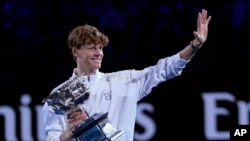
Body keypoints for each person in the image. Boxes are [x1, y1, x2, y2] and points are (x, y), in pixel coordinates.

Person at [42, 9, 212, 141]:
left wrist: (194, 47)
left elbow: (164, 70)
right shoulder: (59, 96)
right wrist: (70, 133)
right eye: (92, 48)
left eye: (100, 48)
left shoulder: (124, 81)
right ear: (75, 51)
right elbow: (53, 137)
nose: (99, 53)